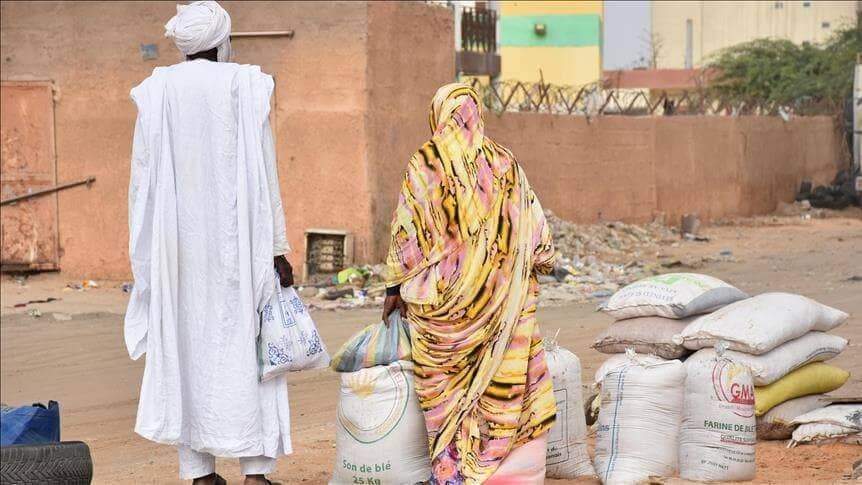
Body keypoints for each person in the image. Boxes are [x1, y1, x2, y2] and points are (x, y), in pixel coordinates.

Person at [124, 2, 293, 484]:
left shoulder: (156, 92)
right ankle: (256, 474)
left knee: (187, 351)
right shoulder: (244, 84)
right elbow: (265, 173)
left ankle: (199, 474)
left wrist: (146, 259)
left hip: (179, 253)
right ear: (222, 42)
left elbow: (142, 184)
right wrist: (277, 247)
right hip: (240, 247)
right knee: (251, 349)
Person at [382, 83, 557, 484]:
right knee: (500, 378)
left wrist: (394, 288)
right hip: (500, 300)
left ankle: (454, 473)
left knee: (444, 391)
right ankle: (504, 470)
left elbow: (408, 234)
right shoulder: (505, 162)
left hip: (442, 308)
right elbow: (536, 232)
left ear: (438, 114)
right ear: (478, 114)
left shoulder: (426, 161)